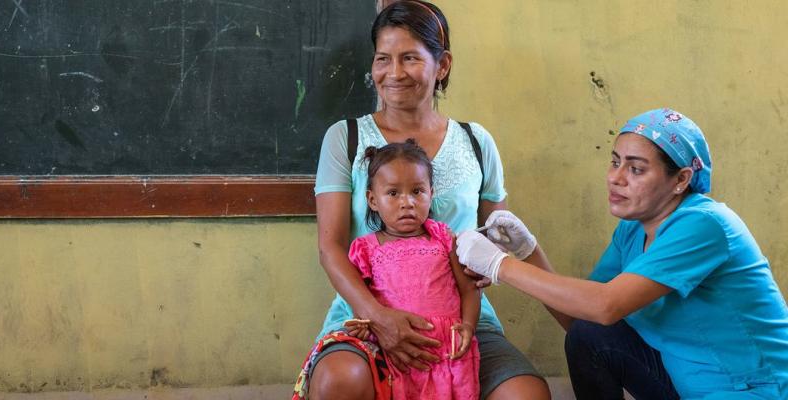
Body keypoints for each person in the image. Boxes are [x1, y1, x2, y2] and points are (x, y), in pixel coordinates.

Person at [297, 1, 552, 399]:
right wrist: (378, 316)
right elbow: (331, 248)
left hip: (462, 321)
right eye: (384, 58)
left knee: (526, 394)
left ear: (442, 65)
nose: (394, 73)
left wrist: (490, 261)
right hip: (365, 314)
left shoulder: (475, 142)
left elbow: (496, 236)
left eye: (410, 58)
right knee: (339, 380)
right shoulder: (345, 138)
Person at [456, 108, 788, 399]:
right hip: (684, 384)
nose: (616, 178)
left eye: (636, 169)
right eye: (615, 162)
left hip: (750, 387)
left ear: (681, 180)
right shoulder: (633, 228)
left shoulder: (704, 224)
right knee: (589, 337)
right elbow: (582, 320)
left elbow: (605, 305)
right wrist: (529, 252)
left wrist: (500, 264)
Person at [350, 140, 481, 399]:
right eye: (393, 193)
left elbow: (468, 289)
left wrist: (468, 325)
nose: (407, 202)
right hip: (395, 350)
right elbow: (362, 304)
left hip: (448, 350)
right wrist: (365, 326)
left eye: (417, 191)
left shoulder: (444, 238)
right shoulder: (365, 249)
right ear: (372, 200)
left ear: (431, 193)